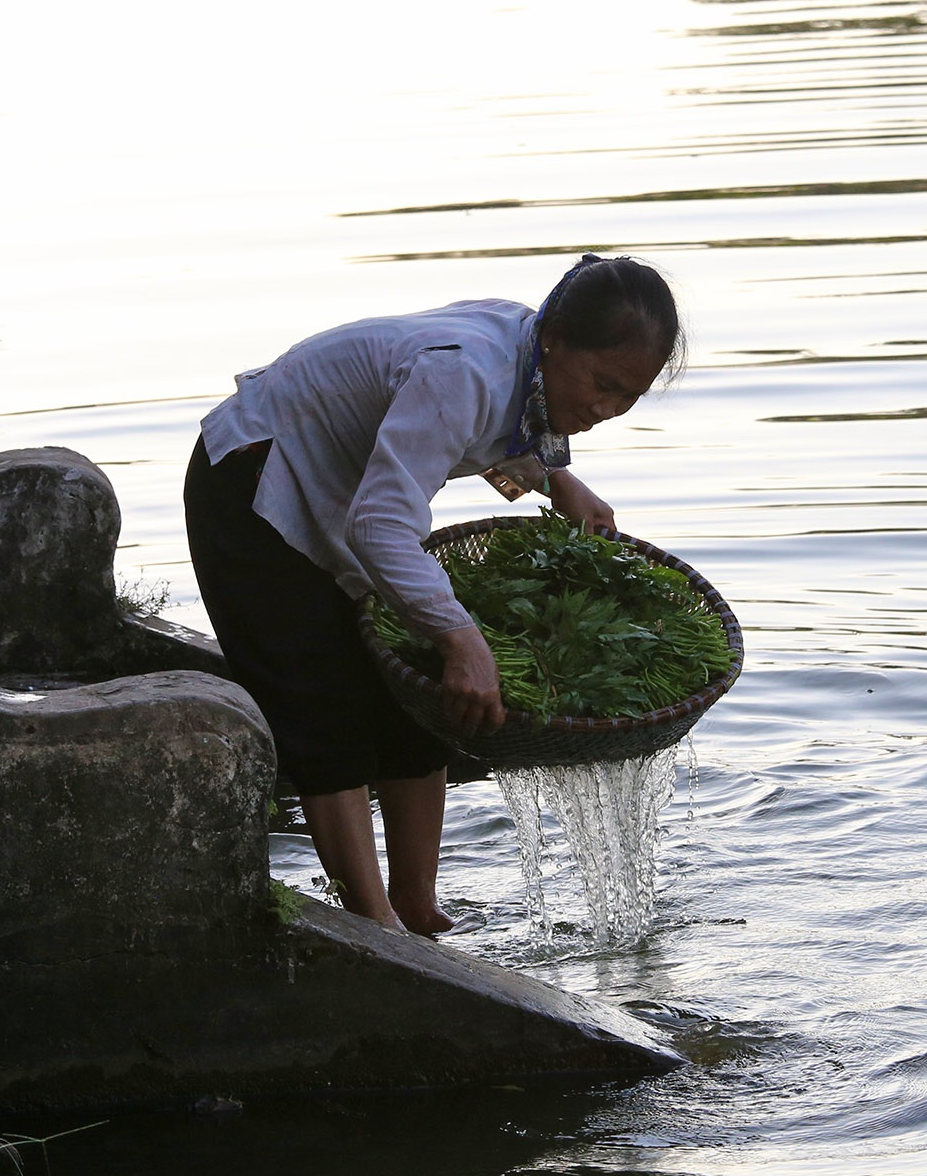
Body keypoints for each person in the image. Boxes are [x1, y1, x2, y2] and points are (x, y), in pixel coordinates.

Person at [184, 254, 684, 933]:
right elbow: (381, 522)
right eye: (603, 384)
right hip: (254, 482)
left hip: (347, 495)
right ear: (556, 338)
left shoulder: (528, 353)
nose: (607, 409)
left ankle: (418, 907)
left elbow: (484, 439)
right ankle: (377, 927)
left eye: (629, 397)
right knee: (322, 705)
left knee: (415, 707)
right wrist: (462, 638)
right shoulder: (463, 372)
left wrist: (557, 480)